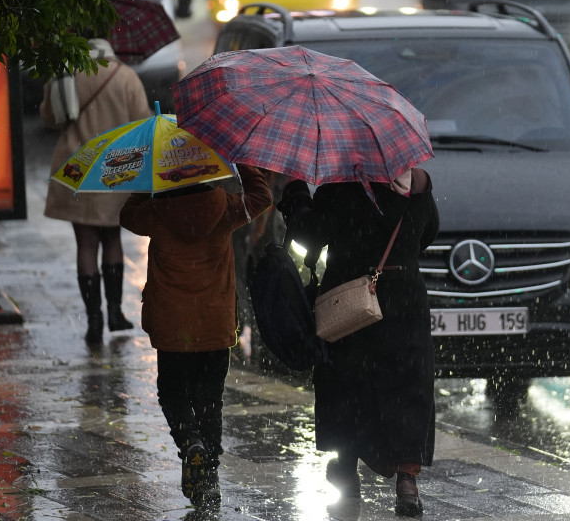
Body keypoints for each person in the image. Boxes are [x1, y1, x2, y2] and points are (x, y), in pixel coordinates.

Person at [278, 168, 439, 517]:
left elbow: (309, 234)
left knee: (347, 385)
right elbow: (428, 233)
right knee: (407, 384)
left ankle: (347, 471)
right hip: (405, 301)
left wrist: (296, 194)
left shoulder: (343, 187)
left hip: (350, 298)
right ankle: (407, 482)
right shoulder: (417, 183)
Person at [119, 166, 272, 507]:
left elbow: (127, 215)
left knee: (172, 392)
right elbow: (262, 197)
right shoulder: (227, 207)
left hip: (174, 325)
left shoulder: (156, 212)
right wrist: (242, 161)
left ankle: (190, 442)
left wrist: (148, 181)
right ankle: (209, 481)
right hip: (215, 323)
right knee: (210, 400)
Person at [41, 37, 151, 344]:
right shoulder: (125, 76)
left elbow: (49, 117)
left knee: (86, 244)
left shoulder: (65, 71)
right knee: (113, 237)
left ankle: (94, 319)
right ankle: (115, 311)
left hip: (77, 168)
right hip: (116, 168)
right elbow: (142, 123)